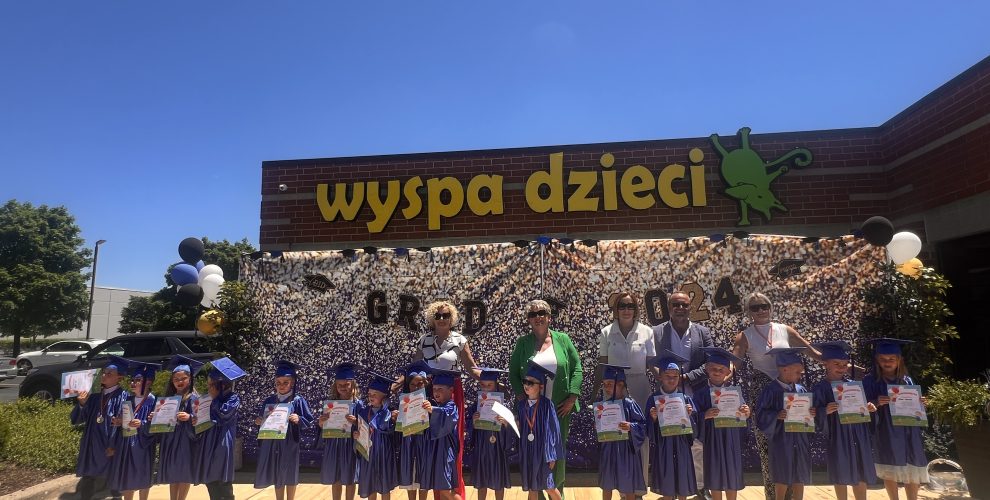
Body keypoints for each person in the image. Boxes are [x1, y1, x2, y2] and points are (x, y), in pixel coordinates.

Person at [730, 292, 821, 499]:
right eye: (755, 307)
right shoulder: (745, 335)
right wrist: (722, 373)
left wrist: (840, 364)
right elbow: (735, 362)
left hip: (790, 389)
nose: (761, 310)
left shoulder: (785, 330)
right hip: (764, 391)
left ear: (770, 307)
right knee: (768, 447)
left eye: (764, 306)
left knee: (794, 443)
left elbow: (812, 352)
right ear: (748, 312)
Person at [509, 299, 583, 495]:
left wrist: (572, 397)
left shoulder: (563, 339)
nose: (538, 317)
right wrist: (521, 398)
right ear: (528, 319)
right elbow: (513, 373)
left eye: (542, 313)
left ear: (549, 317)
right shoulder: (523, 343)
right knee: (534, 454)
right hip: (533, 411)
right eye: (533, 314)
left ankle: (558, 495)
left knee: (555, 454)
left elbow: (577, 368)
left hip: (559, 408)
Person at [413, 300, 482, 500]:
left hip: (452, 393)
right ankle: (438, 493)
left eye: (446, 315)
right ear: (432, 319)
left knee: (452, 441)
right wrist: (397, 384)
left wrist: (489, 380)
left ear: (452, 318)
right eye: (438, 316)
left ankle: (453, 491)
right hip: (429, 395)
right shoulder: (424, 340)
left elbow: (471, 368)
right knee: (432, 444)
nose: (442, 319)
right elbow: (415, 369)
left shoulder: (459, 340)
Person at [653, 291, 713, 498]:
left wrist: (686, 378)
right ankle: (672, 487)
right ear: (669, 308)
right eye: (676, 305)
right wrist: (665, 378)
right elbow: (651, 360)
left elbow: (710, 362)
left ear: (690, 307)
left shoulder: (702, 332)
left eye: (684, 305)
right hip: (668, 395)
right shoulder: (657, 332)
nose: (680, 308)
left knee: (697, 442)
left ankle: (700, 487)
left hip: (695, 393)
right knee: (669, 441)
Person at [594, 292, 655, 492]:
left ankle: (639, 489)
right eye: (622, 306)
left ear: (636, 309)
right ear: (616, 309)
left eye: (630, 306)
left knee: (640, 435)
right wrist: (595, 394)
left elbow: (651, 364)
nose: (626, 310)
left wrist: (667, 381)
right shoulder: (606, 332)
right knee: (615, 436)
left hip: (639, 387)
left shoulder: (647, 331)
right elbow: (602, 364)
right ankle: (621, 488)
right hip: (614, 388)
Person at [862, 338, 929, 500]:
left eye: (891, 358)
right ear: (877, 360)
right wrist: (876, 402)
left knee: (912, 466)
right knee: (889, 466)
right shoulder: (870, 381)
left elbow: (915, 406)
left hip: (908, 430)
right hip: (886, 429)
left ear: (899, 360)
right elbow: (861, 405)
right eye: (883, 359)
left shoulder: (906, 380)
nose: (887, 362)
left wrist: (921, 403)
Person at [811, 341, 877, 500]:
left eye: (844, 364)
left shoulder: (854, 386)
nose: (841, 367)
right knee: (840, 470)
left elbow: (862, 409)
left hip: (858, 434)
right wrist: (824, 411)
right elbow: (813, 413)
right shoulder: (820, 388)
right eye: (836, 363)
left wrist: (869, 408)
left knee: (860, 469)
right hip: (838, 436)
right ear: (825, 364)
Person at [754, 347, 816, 500]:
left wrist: (812, 413)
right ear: (784, 369)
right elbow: (761, 415)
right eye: (797, 372)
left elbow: (809, 414)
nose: (800, 375)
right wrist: (776, 415)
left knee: (799, 475)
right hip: (781, 440)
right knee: (781, 475)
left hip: (800, 439)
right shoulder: (770, 390)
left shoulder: (801, 390)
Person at [693, 348, 750, 500]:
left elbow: (743, 413)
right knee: (714, 472)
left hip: (730, 438)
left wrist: (746, 412)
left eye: (721, 369)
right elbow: (693, 417)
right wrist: (704, 415)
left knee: (732, 472)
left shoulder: (734, 393)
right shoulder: (700, 393)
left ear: (727, 372)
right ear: (707, 369)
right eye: (714, 369)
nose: (717, 372)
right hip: (712, 439)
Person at [254, 360, 314, 500]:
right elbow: (263, 420)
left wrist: (299, 419)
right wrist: (259, 422)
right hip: (273, 442)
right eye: (278, 382)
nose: (281, 385)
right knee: (277, 472)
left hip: (290, 442)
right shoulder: (270, 400)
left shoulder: (298, 400)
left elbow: (309, 420)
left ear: (292, 383)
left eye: (285, 382)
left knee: (290, 472)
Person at [72, 359, 127, 500]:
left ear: (119, 377)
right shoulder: (94, 396)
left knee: (114, 477)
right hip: (92, 444)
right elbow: (79, 418)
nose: (104, 375)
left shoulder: (124, 397)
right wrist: (82, 404)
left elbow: (126, 425)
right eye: (104, 372)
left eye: (109, 373)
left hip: (110, 445)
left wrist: (115, 446)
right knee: (88, 476)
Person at [107, 356, 159, 500]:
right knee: (126, 477)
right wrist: (118, 422)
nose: (132, 383)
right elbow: (122, 421)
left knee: (143, 477)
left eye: (137, 380)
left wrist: (142, 423)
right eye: (132, 380)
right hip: (126, 445)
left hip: (144, 446)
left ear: (148, 382)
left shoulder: (154, 402)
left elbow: (158, 428)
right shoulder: (127, 400)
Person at [648, 351, 697, 500]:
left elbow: (695, 427)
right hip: (664, 445)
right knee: (667, 480)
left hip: (681, 444)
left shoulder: (685, 399)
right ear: (660, 377)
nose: (671, 380)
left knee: (682, 478)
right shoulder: (653, 399)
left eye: (675, 376)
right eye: (667, 376)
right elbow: (648, 427)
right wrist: (653, 418)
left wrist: (690, 415)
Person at [196, 356, 246, 500]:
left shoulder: (233, 398)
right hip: (209, 439)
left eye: (211, 385)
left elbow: (223, 415)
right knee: (210, 476)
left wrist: (215, 399)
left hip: (222, 439)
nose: (208, 388)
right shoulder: (208, 398)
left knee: (221, 476)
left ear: (221, 385)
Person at [154, 355, 204, 500]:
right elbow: (161, 422)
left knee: (184, 472)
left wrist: (189, 417)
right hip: (171, 439)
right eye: (176, 379)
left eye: (183, 378)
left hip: (186, 440)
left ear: (190, 379)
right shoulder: (168, 399)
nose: (179, 382)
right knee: (173, 472)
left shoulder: (194, 398)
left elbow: (200, 420)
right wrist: (155, 417)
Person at [597, 364, 647, 500]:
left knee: (628, 483)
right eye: (604, 384)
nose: (606, 387)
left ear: (620, 384)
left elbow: (642, 426)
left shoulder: (630, 404)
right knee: (607, 484)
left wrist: (631, 427)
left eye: (609, 384)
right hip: (609, 449)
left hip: (626, 451)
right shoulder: (603, 405)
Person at [517, 361, 563, 500]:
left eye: (531, 383)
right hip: (528, 451)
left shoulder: (546, 405)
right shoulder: (521, 405)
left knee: (549, 487)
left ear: (541, 386)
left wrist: (551, 455)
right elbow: (521, 428)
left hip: (542, 452)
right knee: (532, 487)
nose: (526, 385)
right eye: (525, 382)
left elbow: (553, 430)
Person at [466, 368, 514, 500]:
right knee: (481, 481)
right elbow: (469, 427)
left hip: (497, 446)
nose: (486, 388)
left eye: (489, 385)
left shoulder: (504, 404)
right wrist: (473, 421)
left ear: (496, 385)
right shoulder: (476, 405)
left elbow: (511, 428)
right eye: (483, 385)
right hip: (482, 446)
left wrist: (505, 423)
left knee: (499, 481)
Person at [319, 362, 361, 500]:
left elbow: (365, 426)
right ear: (335, 386)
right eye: (339, 385)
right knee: (335, 477)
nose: (342, 387)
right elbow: (323, 427)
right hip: (334, 444)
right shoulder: (330, 404)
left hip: (350, 445)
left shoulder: (359, 404)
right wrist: (321, 423)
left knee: (350, 478)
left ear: (353, 385)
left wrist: (356, 422)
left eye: (346, 384)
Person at [355, 372, 398, 500]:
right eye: (369, 394)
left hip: (384, 452)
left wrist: (385, 407)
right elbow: (360, 430)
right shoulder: (364, 411)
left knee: (384, 485)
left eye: (375, 394)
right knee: (370, 485)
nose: (371, 397)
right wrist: (356, 435)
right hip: (368, 453)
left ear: (384, 397)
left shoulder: (390, 412)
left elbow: (385, 427)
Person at [420, 368, 461, 500]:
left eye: (440, 389)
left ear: (451, 390)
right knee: (441, 487)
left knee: (445, 489)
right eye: (434, 389)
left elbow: (447, 416)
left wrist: (432, 409)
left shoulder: (451, 406)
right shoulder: (438, 405)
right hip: (436, 452)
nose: (436, 392)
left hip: (445, 452)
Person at [397, 360, 432, 500]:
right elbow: (398, 428)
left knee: (422, 477)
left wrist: (431, 411)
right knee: (409, 476)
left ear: (426, 384)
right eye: (412, 384)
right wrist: (395, 417)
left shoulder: (431, 402)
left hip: (424, 442)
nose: (416, 387)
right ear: (408, 385)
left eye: (420, 383)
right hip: (408, 442)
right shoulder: (403, 402)